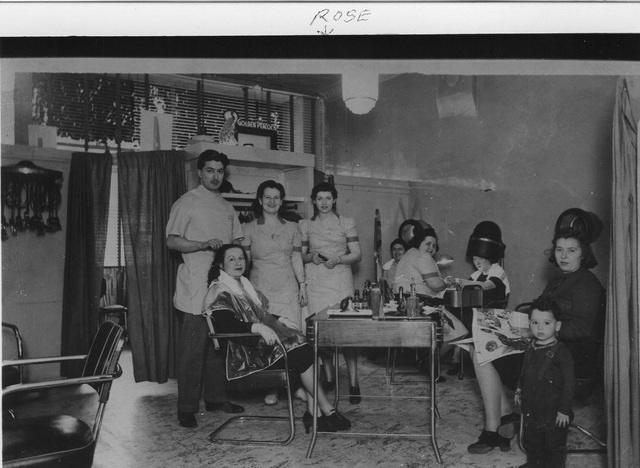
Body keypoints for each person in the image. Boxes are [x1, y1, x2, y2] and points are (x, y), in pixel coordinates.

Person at [203, 244, 351, 433]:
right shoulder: (219, 290)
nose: (238, 262)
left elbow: (258, 314)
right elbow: (227, 325)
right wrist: (256, 327)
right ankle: (326, 410)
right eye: (231, 259)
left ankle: (315, 413)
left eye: (241, 258)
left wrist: (279, 319)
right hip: (242, 354)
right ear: (221, 265)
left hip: (256, 344)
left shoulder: (243, 285)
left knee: (307, 347)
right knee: (303, 353)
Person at [166, 149, 244, 428]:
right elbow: (172, 241)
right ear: (199, 172)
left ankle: (215, 399)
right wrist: (200, 244)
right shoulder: (186, 202)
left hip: (221, 288)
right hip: (194, 289)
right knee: (192, 350)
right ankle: (186, 407)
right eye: (209, 170)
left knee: (219, 347)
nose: (215, 176)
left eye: (220, 171)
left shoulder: (227, 207)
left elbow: (237, 243)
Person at [241, 180, 308, 406]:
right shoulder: (248, 228)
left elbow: (297, 258)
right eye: (267, 197)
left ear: (281, 201)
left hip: (288, 286)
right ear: (260, 200)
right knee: (268, 338)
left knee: (292, 335)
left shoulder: (292, 227)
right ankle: (273, 387)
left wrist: (303, 286)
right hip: (261, 288)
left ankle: (297, 385)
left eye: (276, 197)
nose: (272, 201)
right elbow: (244, 263)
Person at [300, 182, 362, 403]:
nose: (324, 203)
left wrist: (339, 259)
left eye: (328, 198)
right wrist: (312, 258)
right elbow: (303, 255)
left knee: (346, 333)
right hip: (317, 280)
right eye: (319, 199)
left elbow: (356, 254)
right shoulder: (306, 224)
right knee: (322, 332)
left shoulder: (346, 222)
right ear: (314, 201)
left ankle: (354, 382)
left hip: (339, 280)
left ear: (334, 199)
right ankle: (328, 377)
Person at [535, 226, 605, 391]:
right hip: (553, 344)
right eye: (559, 250)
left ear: (583, 254)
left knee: (503, 359)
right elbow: (541, 308)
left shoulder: (587, 283)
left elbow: (581, 329)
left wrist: (537, 331)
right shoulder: (559, 280)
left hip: (573, 355)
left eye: (571, 250)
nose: (564, 256)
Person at [516, 298, 575, 468]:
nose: (540, 328)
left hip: (553, 411)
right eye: (535, 322)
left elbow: (569, 384)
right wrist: (519, 389)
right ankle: (534, 463)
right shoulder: (531, 346)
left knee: (554, 446)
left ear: (557, 326)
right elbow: (524, 372)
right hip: (532, 407)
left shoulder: (562, 353)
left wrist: (564, 410)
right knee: (532, 441)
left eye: (547, 323)